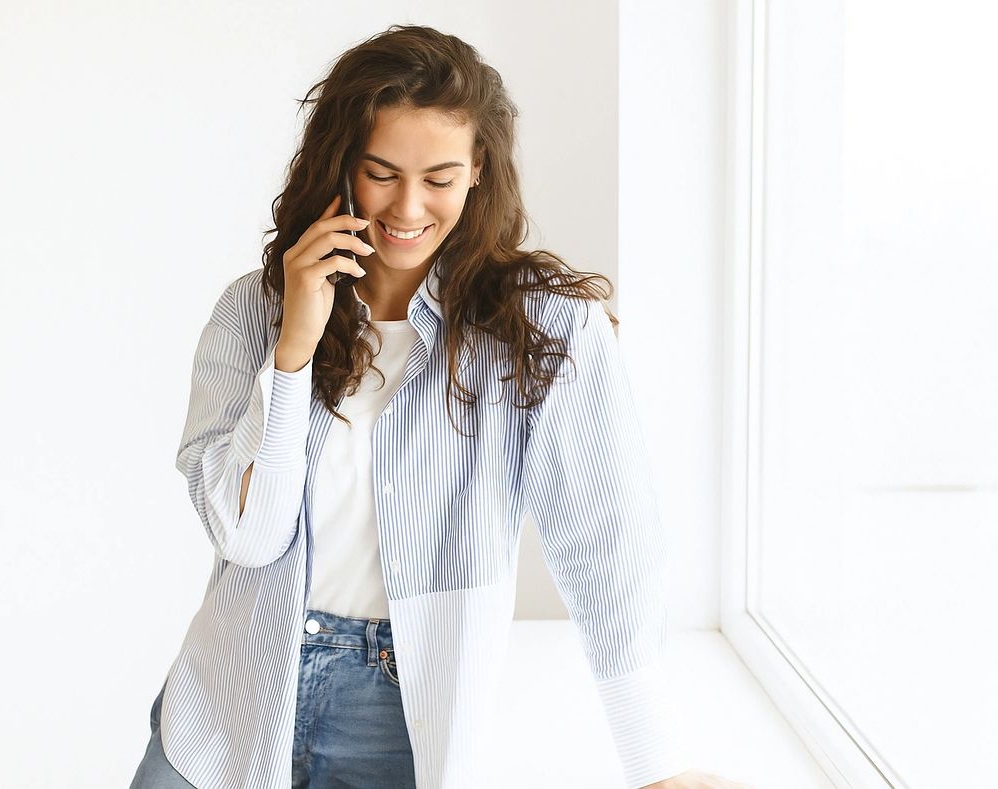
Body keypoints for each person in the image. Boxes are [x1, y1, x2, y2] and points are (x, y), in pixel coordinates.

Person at [129, 24, 753, 789]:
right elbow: (251, 538)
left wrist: (657, 763)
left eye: (440, 177)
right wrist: (293, 348)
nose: (409, 206)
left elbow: (607, 540)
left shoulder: (548, 328)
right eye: (381, 172)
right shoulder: (251, 313)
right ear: (341, 167)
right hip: (226, 705)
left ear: (480, 169)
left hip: (397, 721)